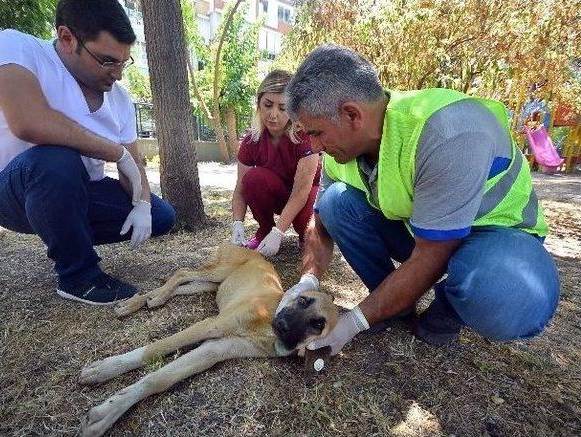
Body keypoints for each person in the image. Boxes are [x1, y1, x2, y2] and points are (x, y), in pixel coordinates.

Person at [278, 44, 560, 353]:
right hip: (426, 230)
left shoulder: (446, 132)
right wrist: (308, 279)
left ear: (351, 114)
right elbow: (320, 224)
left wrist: (354, 322)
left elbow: (433, 254)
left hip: (495, 236)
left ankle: (448, 309)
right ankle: (394, 306)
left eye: (317, 133)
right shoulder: (342, 150)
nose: (315, 147)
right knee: (334, 202)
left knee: (508, 292)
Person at [0, 0, 175, 305]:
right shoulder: (16, 47)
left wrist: (141, 203)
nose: (117, 74)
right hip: (9, 191)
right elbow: (29, 122)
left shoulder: (120, 99)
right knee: (56, 158)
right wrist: (115, 153)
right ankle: (79, 276)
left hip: (75, 193)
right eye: (106, 61)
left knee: (161, 215)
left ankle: (66, 234)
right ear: (67, 38)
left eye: (122, 62)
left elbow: (134, 165)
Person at [231, 70, 321, 257]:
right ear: (259, 104)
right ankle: (264, 229)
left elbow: (301, 192)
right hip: (277, 194)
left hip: (305, 196)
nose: (273, 115)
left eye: (282, 108)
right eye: (268, 105)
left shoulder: (305, 137)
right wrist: (237, 223)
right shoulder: (251, 141)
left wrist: (279, 233)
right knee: (253, 179)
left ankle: (306, 237)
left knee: (309, 213)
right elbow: (240, 189)